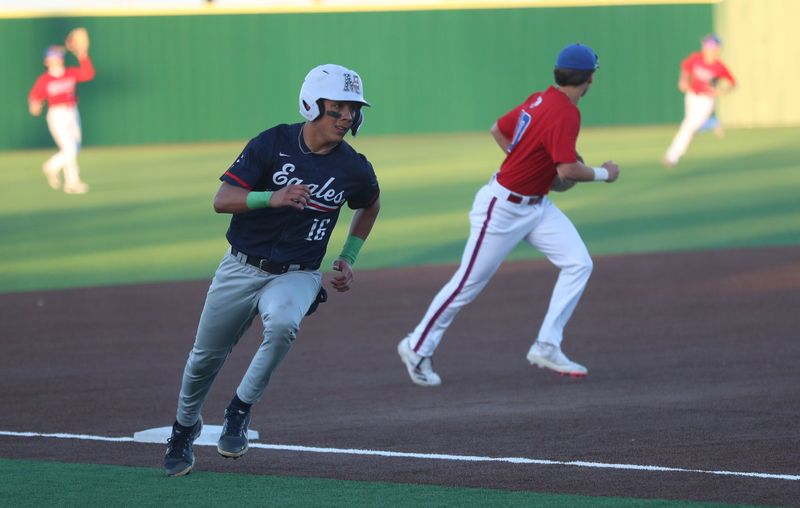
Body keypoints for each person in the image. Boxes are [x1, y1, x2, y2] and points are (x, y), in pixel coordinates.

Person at [163, 64, 381, 477]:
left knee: (282, 323)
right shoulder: (272, 144)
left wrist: (348, 257)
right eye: (337, 108)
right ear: (311, 104)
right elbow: (222, 198)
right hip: (241, 267)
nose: (347, 117)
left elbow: (370, 203)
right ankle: (184, 428)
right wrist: (271, 198)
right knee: (204, 359)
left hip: (298, 273)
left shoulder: (353, 167)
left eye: (353, 109)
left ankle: (239, 409)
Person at [397, 43, 620, 387]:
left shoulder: (541, 98)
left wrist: (530, 164)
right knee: (467, 285)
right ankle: (416, 345)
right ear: (590, 78)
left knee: (579, 263)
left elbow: (498, 130)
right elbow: (569, 170)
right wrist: (605, 173)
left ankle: (547, 344)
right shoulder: (565, 112)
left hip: (536, 206)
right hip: (501, 209)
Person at [28, 28, 95, 194]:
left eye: (58, 57)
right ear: (46, 62)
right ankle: (71, 182)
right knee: (70, 149)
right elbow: (34, 97)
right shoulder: (44, 80)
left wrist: (82, 55)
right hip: (56, 115)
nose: (56, 60)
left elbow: (88, 74)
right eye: (52, 58)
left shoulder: (70, 73)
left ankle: (52, 167)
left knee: (75, 148)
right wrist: (34, 105)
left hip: (73, 112)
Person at [662, 34, 736, 168]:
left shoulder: (719, 66)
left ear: (718, 48)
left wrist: (722, 91)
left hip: (706, 100)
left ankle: (671, 156)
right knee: (691, 127)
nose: (707, 48)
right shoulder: (697, 58)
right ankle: (712, 122)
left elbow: (732, 83)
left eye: (710, 45)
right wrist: (683, 80)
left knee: (688, 126)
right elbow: (686, 67)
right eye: (706, 45)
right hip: (692, 96)